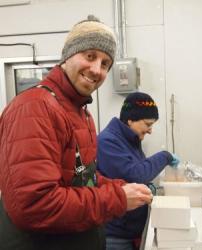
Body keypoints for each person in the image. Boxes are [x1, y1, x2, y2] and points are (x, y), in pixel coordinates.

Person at [0, 15, 153, 250]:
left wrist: (119, 188)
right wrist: (118, 199)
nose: (96, 70)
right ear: (68, 55)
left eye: (105, 64)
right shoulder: (33, 107)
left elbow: (82, 179)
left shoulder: (82, 114)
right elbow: (35, 206)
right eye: (90, 56)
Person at [97, 92, 180, 250]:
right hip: (116, 236)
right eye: (148, 124)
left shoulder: (129, 140)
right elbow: (136, 175)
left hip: (131, 230)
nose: (150, 130)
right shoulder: (107, 141)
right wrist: (165, 156)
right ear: (130, 120)